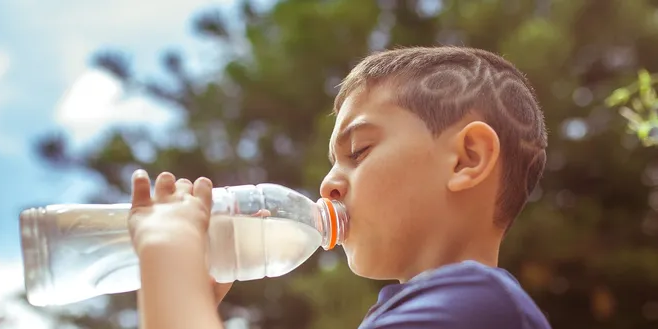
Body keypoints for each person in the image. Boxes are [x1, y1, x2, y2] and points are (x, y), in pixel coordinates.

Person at [126, 46, 552, 329]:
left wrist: (169, 251)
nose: (328, 183)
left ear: (466, 159)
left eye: (360, 150)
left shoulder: (477, 305)